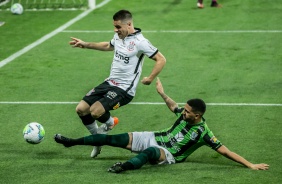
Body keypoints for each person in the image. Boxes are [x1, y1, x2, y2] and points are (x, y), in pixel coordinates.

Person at [54, 78, 269, 173]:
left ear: (197, 115)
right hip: (155, 136)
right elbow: (173, 106)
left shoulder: (203, 132)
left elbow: (225, 151)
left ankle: (123, 167)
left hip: (168, 153)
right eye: (184, 110)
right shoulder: (184, 114)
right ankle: (71, 143)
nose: (182, 112)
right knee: (114, 139)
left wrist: (249, 164)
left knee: (149, 152)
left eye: (187, 112)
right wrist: (162, 93)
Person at [69, 10, 166, 158]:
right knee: (81, 109)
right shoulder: (119, 36)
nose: (115, 30)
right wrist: (86, 44)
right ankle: (98, 139)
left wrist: (150, 78)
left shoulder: (140, 42)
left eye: (118, 27)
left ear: (129, 24)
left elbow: (161, 59)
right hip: (109, 82)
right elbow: (108, 45)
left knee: (95, 111)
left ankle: (109, 123)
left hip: (124, 89)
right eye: (114, 26)